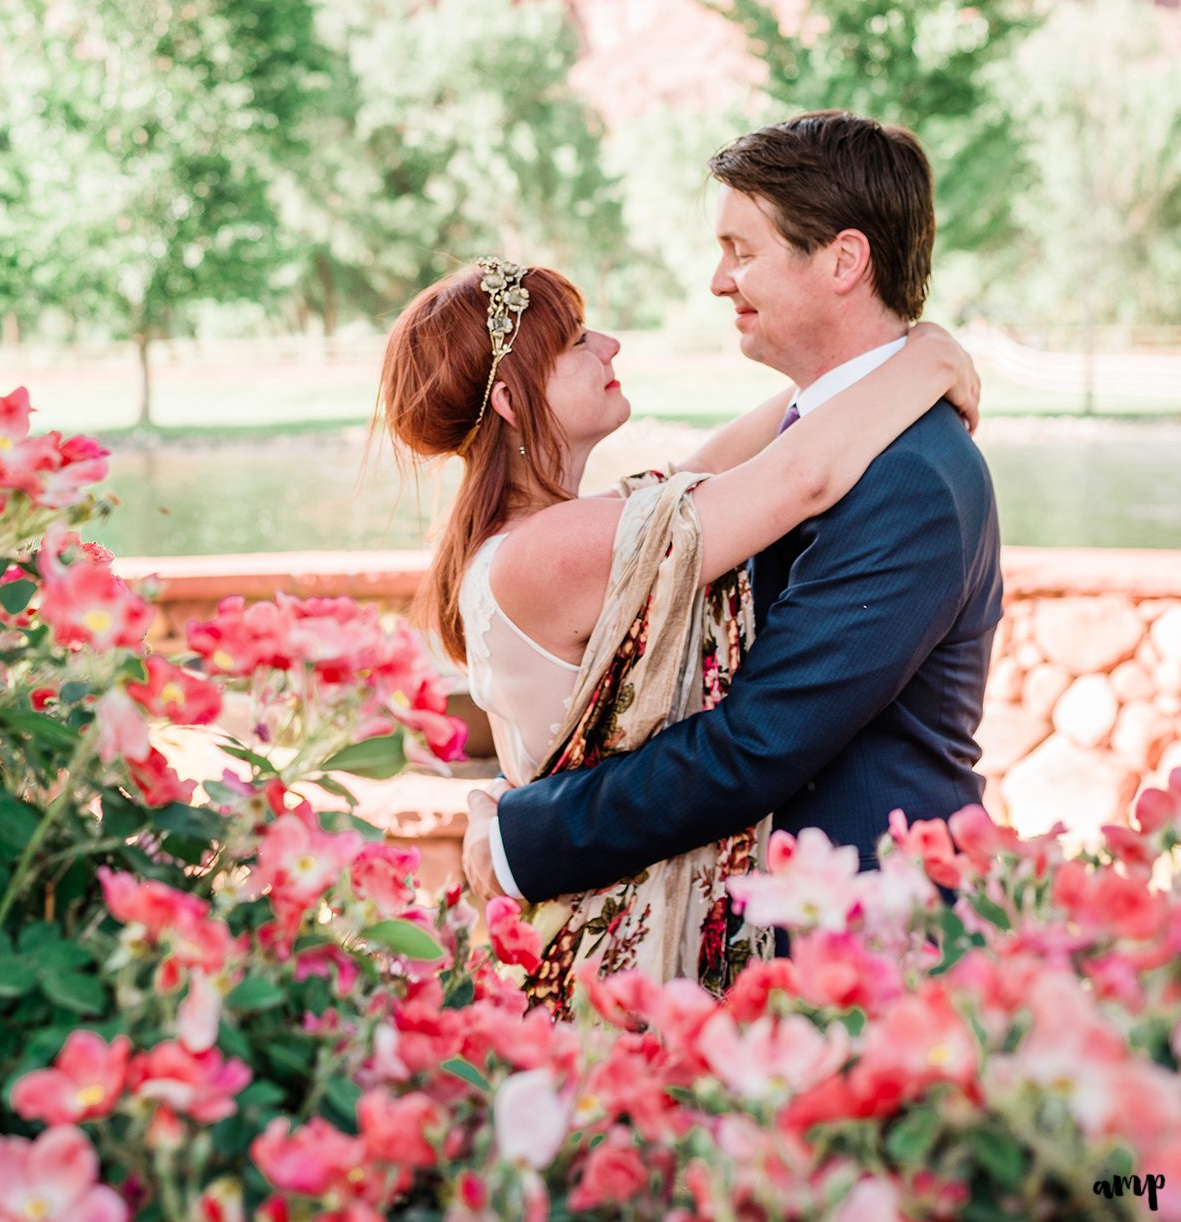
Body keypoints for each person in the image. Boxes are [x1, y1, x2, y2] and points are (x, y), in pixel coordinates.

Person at [380, 133, 983, 1010]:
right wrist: (924, 356)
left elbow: (746, 459)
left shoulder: (595, 526)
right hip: (615, 937)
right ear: (511, 402)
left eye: (742, 251)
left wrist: (898, 356)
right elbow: (795, 476)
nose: (612, 344)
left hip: (833, 928)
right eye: (579, 341)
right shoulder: (564, 549)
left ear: (845, 260)